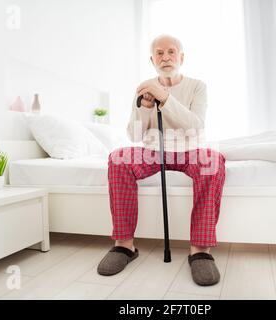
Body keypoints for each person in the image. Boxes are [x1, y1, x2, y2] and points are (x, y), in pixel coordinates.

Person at [97, 34, 226, 286]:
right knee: (118, 159)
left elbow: (196, 127)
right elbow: (134, 135)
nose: (165, 57)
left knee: (213, 160)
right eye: (159, 53)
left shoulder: (197, 86)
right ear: (152, 59)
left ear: (181, 57)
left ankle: (200, 250)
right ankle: (124, 245)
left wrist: (165, 98)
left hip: (190, 149)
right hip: (153, 151)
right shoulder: (144, 87)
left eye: (171, 52)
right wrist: (145, 107)